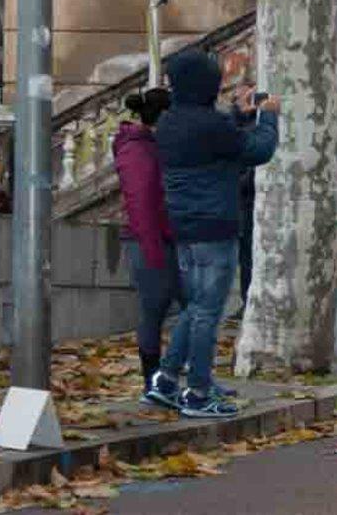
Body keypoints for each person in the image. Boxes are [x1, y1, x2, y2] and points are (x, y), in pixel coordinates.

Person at [145, 50, 279, 418]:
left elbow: (215, 138)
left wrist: (238, 114)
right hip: (215, 225)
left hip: (184, 226)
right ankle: (198, 392)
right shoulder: (208, 125)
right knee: (208, 311)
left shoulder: (171, 121)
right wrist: (268, 117)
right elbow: (257, 150)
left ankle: (168, 379)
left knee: (196, 307)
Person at [114, 88, 181, 399]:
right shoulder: (137, 149)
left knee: (187, 308)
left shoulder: (153, 145)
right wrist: (153, 248)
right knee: (154, 310)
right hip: (150, 241)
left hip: (165, 238)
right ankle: (153, 381)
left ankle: (169, 378)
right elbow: (141, 202)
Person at [232, 79, 257, 319]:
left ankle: (250, 298)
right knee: (245, 255)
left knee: (249, 253)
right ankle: (246, 298)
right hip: (241, 201)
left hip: (251, 199)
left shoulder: (258, 126)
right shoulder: (233, 124)